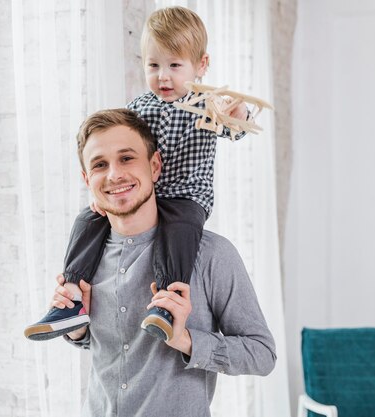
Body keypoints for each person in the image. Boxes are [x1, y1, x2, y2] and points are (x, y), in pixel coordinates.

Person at [24, 6, 250, 342]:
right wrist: (103, 191)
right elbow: (119, 147)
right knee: (88, 220)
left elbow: (237, 128)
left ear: (201, 65)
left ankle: (166, 302)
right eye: (153, 65)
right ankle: (71, 297)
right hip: (147, 194)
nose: (163, 76)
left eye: (175, 66)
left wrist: (237, 112)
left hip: (187, 195)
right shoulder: (140, 106)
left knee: (180, 233)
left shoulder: (208, 104)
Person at [52, 108, 276, 416]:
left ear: (155, 166)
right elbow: (117, 348)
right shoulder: (86, 254)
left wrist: (185, 340)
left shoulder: (211, 255)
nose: (115, 174)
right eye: (100, 164)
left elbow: (262, 355)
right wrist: (77, 331)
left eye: (127, 158)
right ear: (87, 178)